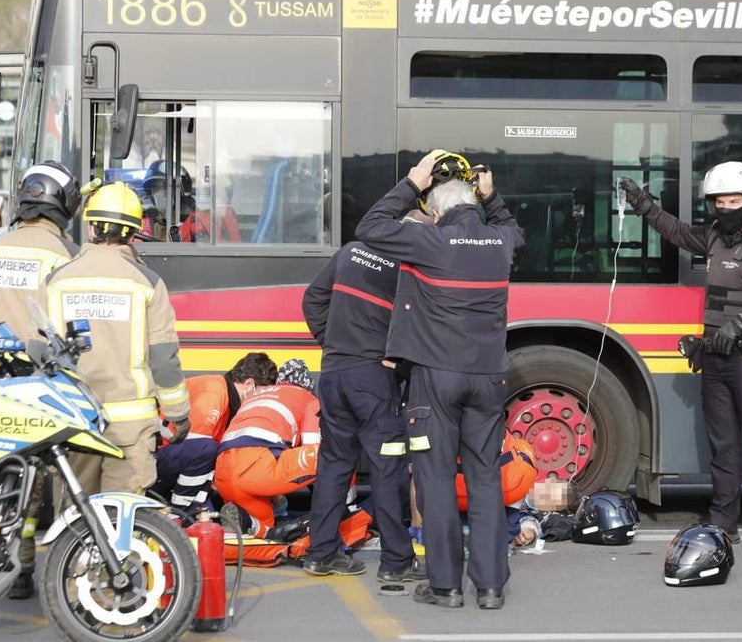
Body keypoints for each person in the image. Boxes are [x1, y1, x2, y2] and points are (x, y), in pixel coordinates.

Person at [356, 150, 524, 610]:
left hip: (436, 379)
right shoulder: (500, 240)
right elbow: (516, 232)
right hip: (489, 378)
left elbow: (369, 227)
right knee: (485, 479)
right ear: (473, 199)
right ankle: (490, 588)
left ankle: (446, 586)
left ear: (433, 210)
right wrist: (493, 198)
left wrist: (412, 182)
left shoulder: (428, 240)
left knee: (435, 479)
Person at [621, 161, 742, 554]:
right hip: (716, 359)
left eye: (734, 201)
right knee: (723, 445)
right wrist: (645, 205)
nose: (726, 208)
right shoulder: (714, 237)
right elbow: (676, 232)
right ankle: (724, 523)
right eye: (719, 201)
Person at [0, 161, 82, 600]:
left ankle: (17, 568)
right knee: (62, 477)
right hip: (51, 380)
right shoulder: (67, 255)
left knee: (12, 478)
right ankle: (70, 570)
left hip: (2, 381)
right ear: (64, 204)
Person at [40, 181, 191, 496]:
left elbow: (39, 351)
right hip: (130, 431)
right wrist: (178, 415)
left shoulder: (56, 281)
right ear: (133, 233)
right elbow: (163, 358)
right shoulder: (147, 283)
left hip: (75, 422)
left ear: (91, 227)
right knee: (121, 515)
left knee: (77, 515)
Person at [299, 238, 422, 582]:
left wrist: (331, 345)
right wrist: (401, 368)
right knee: (387, 468)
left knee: (334, 465)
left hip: (333, 375)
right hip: (373, 378)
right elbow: (420, 327)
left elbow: (313, 298)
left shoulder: (351, 250)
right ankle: (396, 561)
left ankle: (321, 553)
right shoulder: (408, 265)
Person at [151, 352, 278, 510]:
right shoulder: (214, 392)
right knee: (206, 448)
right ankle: (180, 510)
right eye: (263, 394)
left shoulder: (227, 401)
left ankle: (189, 511)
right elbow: (197, 447)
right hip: (155, 460)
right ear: (249, 384)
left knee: (208, 513)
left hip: (168, 459)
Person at [214, 364, 323, 538]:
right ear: (308, 386)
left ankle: (246, 520)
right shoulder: (309, 399)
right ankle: (345, 511)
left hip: (223, 474)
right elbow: (312, 448)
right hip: (259, 469)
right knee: (333, 455)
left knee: (266, 529)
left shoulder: (255, 397)